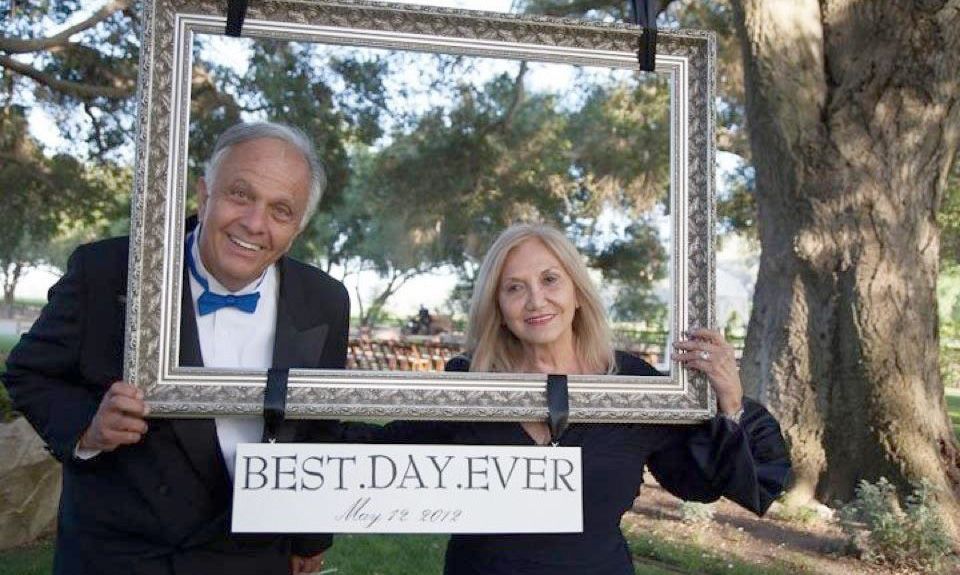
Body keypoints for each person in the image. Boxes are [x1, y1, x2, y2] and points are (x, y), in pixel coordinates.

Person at [2, 122, 350, 575]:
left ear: (297, 229)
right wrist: (88, 427)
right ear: (204, 195)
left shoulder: (326, 300)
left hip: (250, 559)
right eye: (240, 194)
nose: (254, 223)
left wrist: (309, 538)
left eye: (281, 210)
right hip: (120, 557)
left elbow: (320, 427)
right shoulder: (108, 270)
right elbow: (29, 372)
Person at [348, 223, 791, 575]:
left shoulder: (631, 384)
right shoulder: (469, 384)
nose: (535, 300)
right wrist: (309, 413)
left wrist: (728, 399)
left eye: (550, 280)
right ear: (497, 306)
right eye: (514, 287)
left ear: (577, 292)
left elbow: (703, 481)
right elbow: (386, 453)